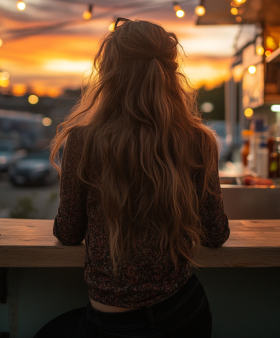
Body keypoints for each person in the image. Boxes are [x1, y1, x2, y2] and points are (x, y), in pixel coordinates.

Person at [33, 18, 230, 338]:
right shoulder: (197, 140)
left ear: (109, 74)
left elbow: (68, 233)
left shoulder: (84, 141)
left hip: (111, 324)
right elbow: (216, 234)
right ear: (171, 74)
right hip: (183, 314)